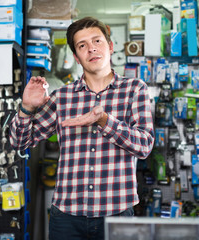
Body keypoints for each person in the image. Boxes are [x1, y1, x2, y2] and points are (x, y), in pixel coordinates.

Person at [9, 16, 155, 240]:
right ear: (77, 58)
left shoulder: (134, 89)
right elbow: (20, 142)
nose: (91, 49)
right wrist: (26, 108)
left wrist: (104, 120)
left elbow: (144, 146)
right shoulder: (63, 98)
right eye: (82, 45)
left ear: (110, 46)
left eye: (97, 41)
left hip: (116, 214)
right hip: (67, 218)